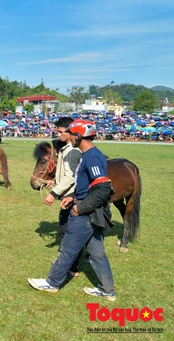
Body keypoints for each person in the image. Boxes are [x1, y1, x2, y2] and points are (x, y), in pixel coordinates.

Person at [29, 120, 117, 301]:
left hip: (86, 212)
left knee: (68, 249)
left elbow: (103, 188)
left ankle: (52, 283)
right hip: (88, 206)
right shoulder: (90, 154)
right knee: (97, 253)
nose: (68, 137)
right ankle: (107, 290)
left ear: (78, 136)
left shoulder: (91, 157)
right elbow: (88, 184)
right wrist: (72, 196)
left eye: (71, 134)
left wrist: (80, 206)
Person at [43, 117, 82, 278]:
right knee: (66, 231)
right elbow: (66, 175)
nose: (58, 135)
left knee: (66, 232)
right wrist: (54, 181)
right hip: (67, 194)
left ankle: (72, 267)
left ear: (70, 131)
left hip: (71, 197)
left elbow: (72, 177)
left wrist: (54, 193)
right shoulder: (67, 148)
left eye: (60, 132)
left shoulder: (73, 151)